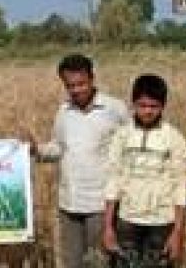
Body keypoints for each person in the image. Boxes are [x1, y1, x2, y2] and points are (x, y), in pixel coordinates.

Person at [31, 53, 129, 268]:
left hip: (100, 204)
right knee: (71, 263)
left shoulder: (115, 109)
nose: (76, 90)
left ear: (92, 79)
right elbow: (58, 147)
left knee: (99, 262)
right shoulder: (64, 111)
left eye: (81, 84)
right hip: (69, 203)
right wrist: (34, 150)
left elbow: (130, 148)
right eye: (70, 85)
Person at [102, 74, 186, 268]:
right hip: (127, 220)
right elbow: (113, 181)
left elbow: (180, 187)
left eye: (153, 106)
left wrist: (177, 232)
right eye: (142, 105)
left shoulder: (173, 138)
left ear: (163, 106)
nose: (147, 111)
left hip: (162, 222)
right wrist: (108, 227)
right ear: (133, 104)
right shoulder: (122, 136)